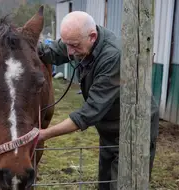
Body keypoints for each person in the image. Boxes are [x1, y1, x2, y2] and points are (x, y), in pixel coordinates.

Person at [37, 11, 160, 190]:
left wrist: (43, 134)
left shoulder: (114, 57)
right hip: (109, 126)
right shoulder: (78, 40)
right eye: (66, 44)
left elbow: (89, 112)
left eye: (74, 46)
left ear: (92, 37)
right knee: (105, 182)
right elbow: (50, 51)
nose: (69, 52)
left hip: (134, 129)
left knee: (125, 184)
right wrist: (19, 42)